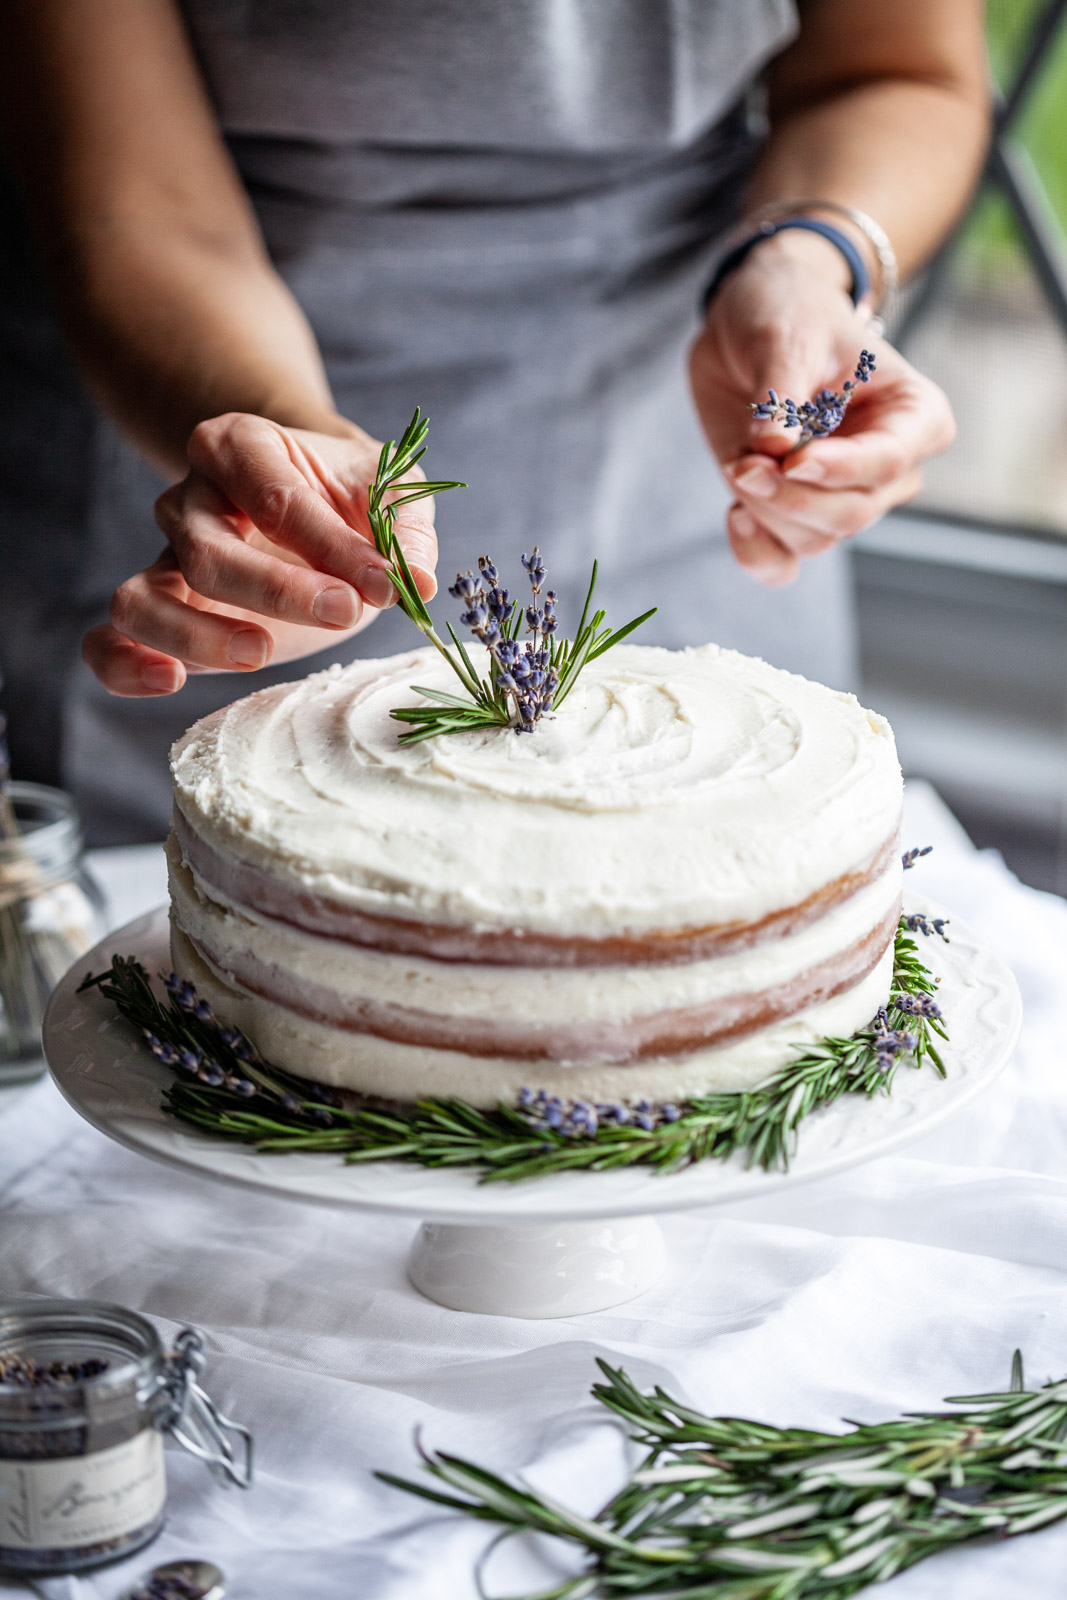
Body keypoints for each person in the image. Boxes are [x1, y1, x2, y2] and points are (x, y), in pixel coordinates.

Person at [0, 1, 988, 842]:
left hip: (683, 482)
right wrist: (288, 450)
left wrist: (807, 262)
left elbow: (894, 69)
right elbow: (143, 208)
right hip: (228, 484)